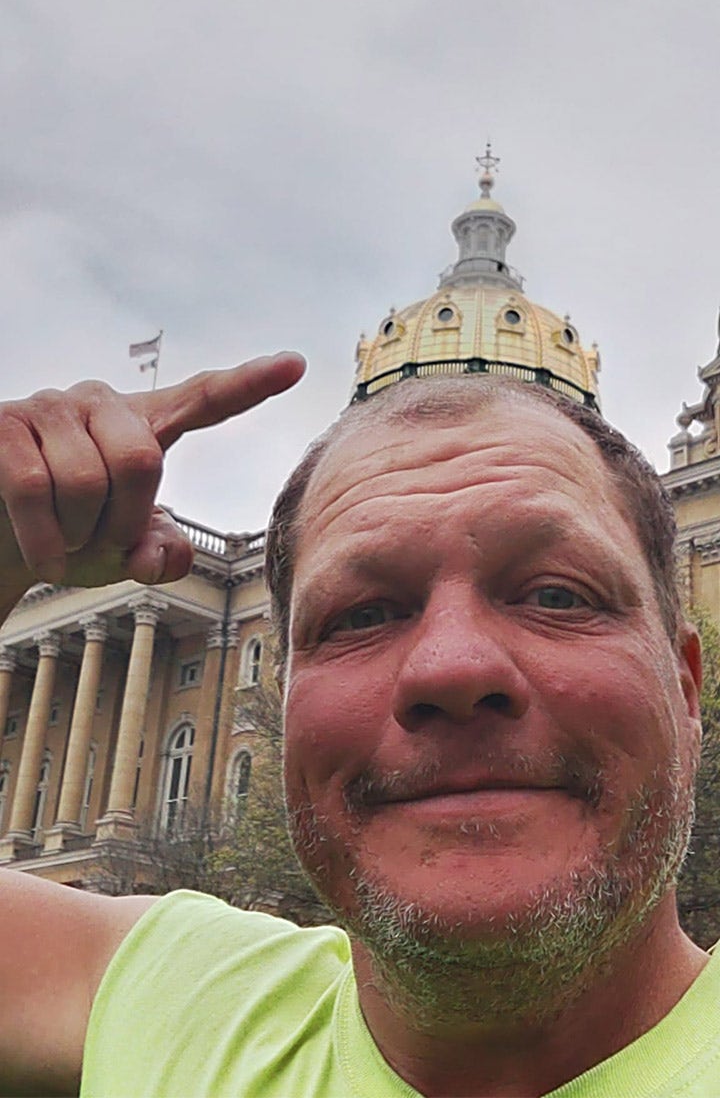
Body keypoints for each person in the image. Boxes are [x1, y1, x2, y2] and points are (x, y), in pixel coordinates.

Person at [0, 352, 717, 1098]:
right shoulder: (182, 1003)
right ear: (284, 705)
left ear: (686, 687)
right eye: (362, 616)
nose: (451, 667)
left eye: (558, 596)